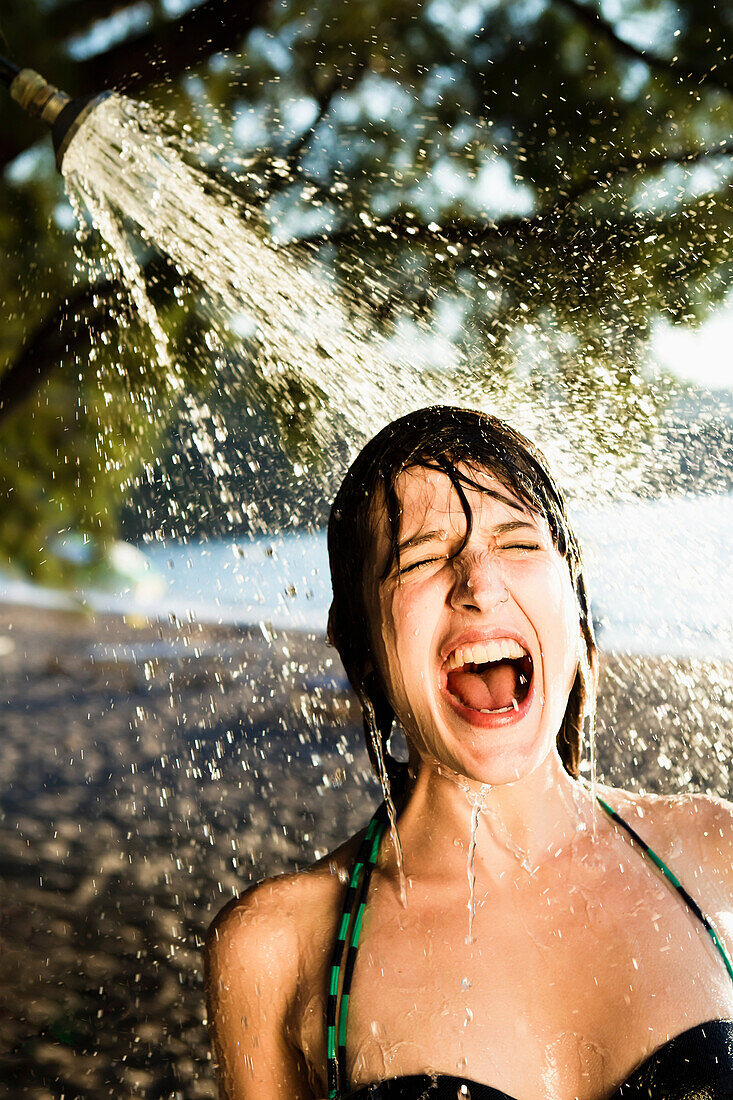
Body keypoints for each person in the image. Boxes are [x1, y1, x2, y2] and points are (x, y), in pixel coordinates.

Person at [205, 406, 733, 1099]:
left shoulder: (716, 856)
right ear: (359, 644)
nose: (480, 586)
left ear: (572, 604)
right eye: (420, 558)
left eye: (518, 544)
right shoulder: (279, 949)